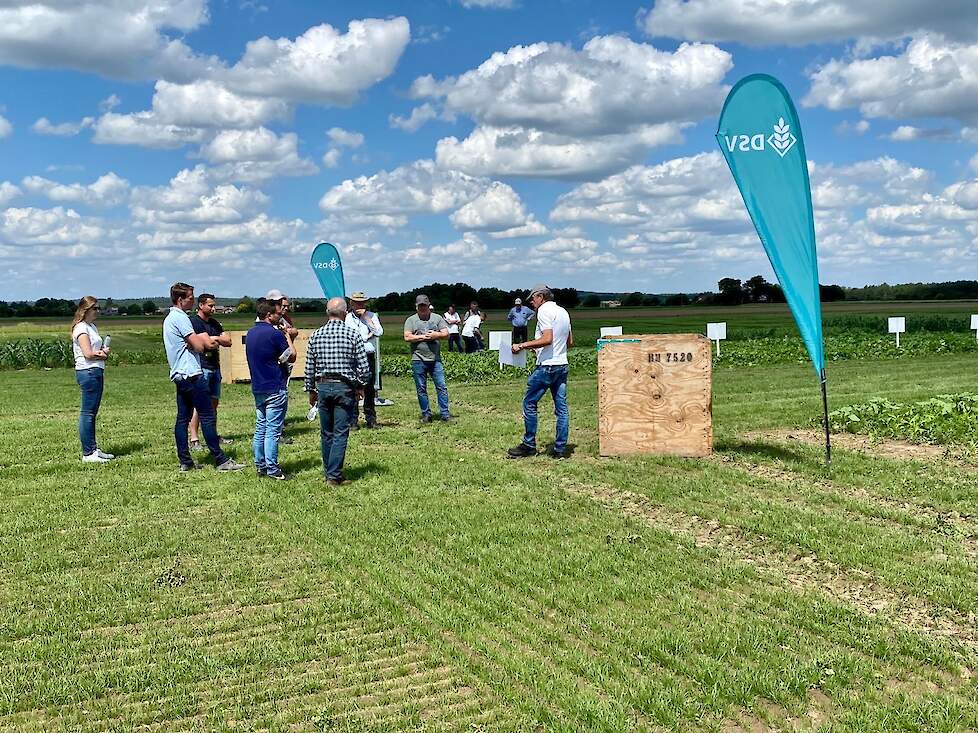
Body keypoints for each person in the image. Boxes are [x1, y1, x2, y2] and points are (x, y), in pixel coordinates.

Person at [163, 282, 244, 472]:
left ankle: (185, 461)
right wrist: (206, 341)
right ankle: (221, 460)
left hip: (179, 374)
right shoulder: (182, 318)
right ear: (180, 299)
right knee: (207, 416)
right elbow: (200, 346)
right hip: (191, 373)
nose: (192, 300)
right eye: (190, 297)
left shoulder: (168, 319)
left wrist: (204, 339)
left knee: (182, 418)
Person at [304, 297, 369, 486]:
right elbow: (363, 367)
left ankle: (329, 471)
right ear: (345, 312)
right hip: (344, 387)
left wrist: (311, 389)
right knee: (341, 431)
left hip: (323, 386)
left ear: (327, 313)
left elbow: (309, 366)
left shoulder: (316, 335)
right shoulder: (353, 334)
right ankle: (334, 475)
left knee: (327, 432)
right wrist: (360, 386)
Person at [507, 284, 573, 460]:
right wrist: (538, 349)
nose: (531, 302)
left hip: (547, 366)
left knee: (529, 402)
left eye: (532, 298)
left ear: (541, 297)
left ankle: (528, 445)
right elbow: (569, 342)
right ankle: (560, 449)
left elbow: (547, 338)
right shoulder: (564, 312)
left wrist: (521, 345)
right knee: (561, 408)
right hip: (562, 364)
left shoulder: (544, 311)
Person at [246, 302, 296, 480]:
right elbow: (291, 356)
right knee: (273, 431)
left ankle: (260, 465)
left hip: (258, 386)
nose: (280, 317)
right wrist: (286, 335)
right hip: (274, 386)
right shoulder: (274, 334)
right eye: (277, 314)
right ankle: (273, 469)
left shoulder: (251, 332)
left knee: (261, 427)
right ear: (269, 315)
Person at [71, 296, 113, 463]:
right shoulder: (81, 328)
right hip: (88, 372)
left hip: (95, 371)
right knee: (87, 413)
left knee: (92, 413)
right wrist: (103, 354)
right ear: (85, 310)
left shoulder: (91, 326)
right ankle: (88, 453)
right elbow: (88, 353)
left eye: (98, 308)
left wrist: (102, 352)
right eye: (95, 308)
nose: (98, 311)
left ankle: (93, 448)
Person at [188, 293, 232, 451]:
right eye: (210, 305)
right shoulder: (194, 322)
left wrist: (213, 338)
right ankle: (194, 438)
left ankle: (213, 435)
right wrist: (212, 340)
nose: (213, 308)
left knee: (214, 403)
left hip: (215, 366)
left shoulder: (214, 323)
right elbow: (203, 343)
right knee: (198, 405)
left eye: (214, 305)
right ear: (201, 305)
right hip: (202, 367)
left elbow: (228, 341)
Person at [404, 294, 452, 422]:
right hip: (418, 359)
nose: (422, 308)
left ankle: (445, 414)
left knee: (441, 386)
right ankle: (426, 414)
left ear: (428, 305)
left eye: (424, 305)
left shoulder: (437, 318)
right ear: (416, 306)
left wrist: (436, 335)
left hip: (435, 359)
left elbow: (446, 334)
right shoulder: (411, 320)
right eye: (420, 306)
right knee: (421, 388)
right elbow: (407, 337)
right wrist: (422, 337)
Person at [345, 291, 383, 429]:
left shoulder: (372, 316)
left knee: (369, 388)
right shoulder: (346, 318)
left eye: (362, 302)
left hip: (368, 355)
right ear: (351, 303)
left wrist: (367, 320)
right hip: (352, 357)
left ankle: (371, 419)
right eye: (357, 302)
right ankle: (352, 420)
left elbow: (379, 332)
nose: (360, 305)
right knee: (352, 388)